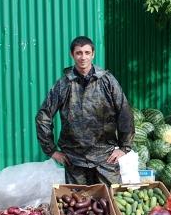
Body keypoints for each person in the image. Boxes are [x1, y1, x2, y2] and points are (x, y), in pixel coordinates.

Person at [35, 36, 134, 185]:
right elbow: (43, 116)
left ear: (93, 54)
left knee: (111, 201)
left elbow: (124, 112)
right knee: (78, 203)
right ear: (72, 55)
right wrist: (52, 150)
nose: (83, 57)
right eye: (79, 53)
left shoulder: (107, 81)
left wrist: (124, 147)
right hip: (74, 158)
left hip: (105, 156)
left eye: (87, 53)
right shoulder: (64, 84)